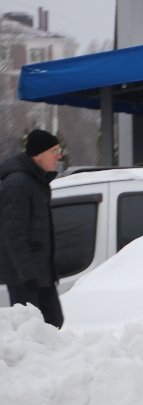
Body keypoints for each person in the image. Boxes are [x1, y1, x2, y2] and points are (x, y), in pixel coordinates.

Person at [0, 129, 64, 328]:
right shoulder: (17, 184)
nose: (59, 156)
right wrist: (27, 275)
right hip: (25, 277)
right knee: (32, 329)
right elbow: (13, 234)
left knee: (53, 322)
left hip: (41, 273)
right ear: (38, 155)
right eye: (54, 151)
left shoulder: (38, 181)